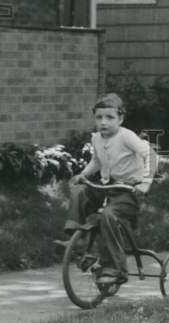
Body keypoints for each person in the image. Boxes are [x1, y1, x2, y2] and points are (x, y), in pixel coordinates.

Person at [63, 92, 156, 285]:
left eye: (110, 117)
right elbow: (97, 161)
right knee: (79, 191)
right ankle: (77, 242)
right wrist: (84, 175)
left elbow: (152, 155)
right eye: (99, 117)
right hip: (108, 187)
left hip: (129, 191)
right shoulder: (97, 138)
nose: (103, 122)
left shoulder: (126, 136)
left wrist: (145, 182)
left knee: (108, 215)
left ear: (120, 119)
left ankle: (116, 269)